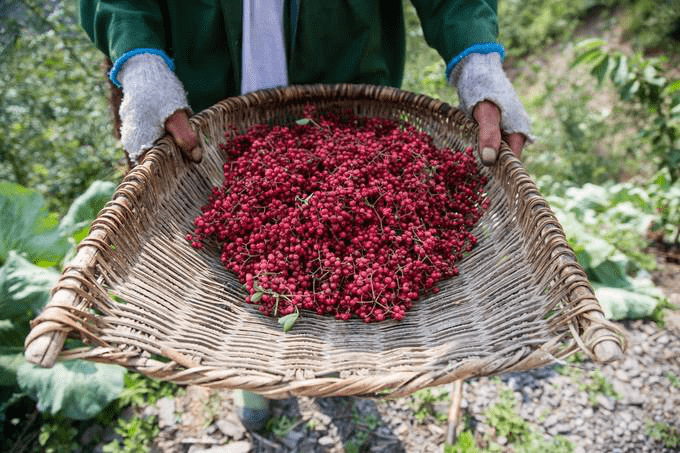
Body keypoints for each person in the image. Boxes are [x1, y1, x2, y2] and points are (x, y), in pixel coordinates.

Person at [78, 0, 532, 430]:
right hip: (209, 91)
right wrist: (139, 58)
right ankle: (253, 384)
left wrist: (477, 61)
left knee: (321, 285)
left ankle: (337, 379)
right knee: (240, 286)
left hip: (344, 81)